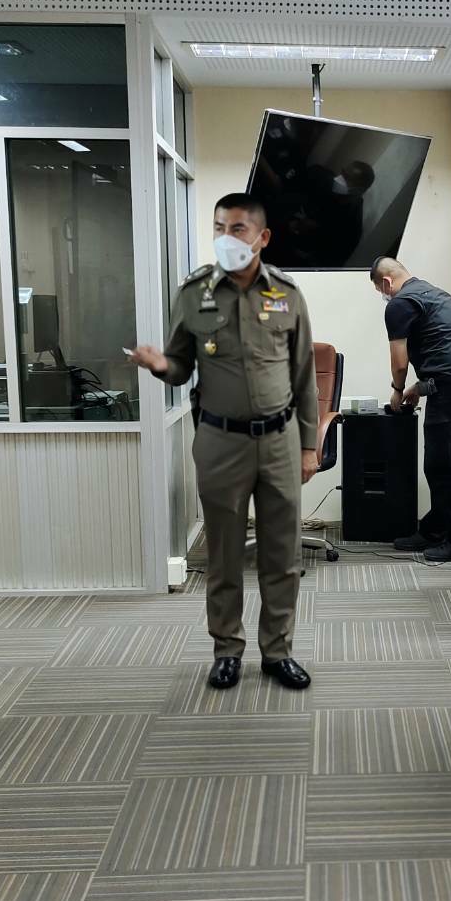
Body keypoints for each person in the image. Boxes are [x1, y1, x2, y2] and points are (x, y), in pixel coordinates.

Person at [131, 193, 318, 692]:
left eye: (237, 229)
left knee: (282, 554)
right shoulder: (194, 293)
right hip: (220, 441)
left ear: (262, 237)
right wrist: (160, 365)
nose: (226, 237)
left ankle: (278, 651)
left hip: (279, 441)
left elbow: (304, 375)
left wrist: (309, 444)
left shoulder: (286, 294)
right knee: (224, 554)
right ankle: (227, 650)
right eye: (219, 228)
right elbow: (179, 364)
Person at [372, 257, 451, 563]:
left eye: (380, 290)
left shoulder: (399, 303)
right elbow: (445, 348)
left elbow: (399, 362)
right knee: (443, 463)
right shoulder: (436, 294)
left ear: (386, 283)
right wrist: (419, 388)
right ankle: (436, 529)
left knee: (441, 466)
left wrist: (397, 390)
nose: (383, 295)